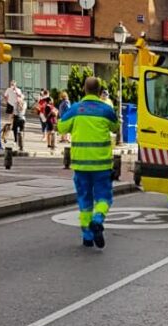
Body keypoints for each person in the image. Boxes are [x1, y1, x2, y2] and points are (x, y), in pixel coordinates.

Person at [57, 76, 118, 249]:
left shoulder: (76, 109)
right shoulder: (106, 109)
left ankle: (87, 237)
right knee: (104, 197)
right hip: (102, 165)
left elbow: (61, 128)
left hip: (81, 165)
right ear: (99, 91)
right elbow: (115, 127)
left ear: (84, 89)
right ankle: (97, 220)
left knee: (84, 200)